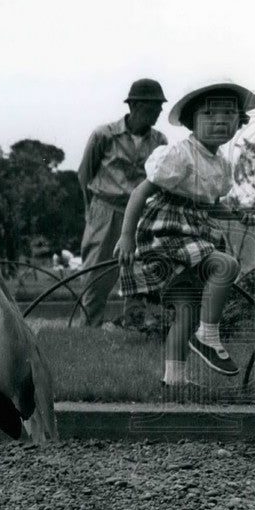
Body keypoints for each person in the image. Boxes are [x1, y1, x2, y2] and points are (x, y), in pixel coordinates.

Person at [114, 81, 255, 387]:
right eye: (210, 114)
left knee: (188, 311)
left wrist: (238, 215)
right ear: (192, 121)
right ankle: (208, 336)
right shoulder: (179, 154)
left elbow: (210, 206)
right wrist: (126, 236)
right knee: (226, 265)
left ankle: (174, 380)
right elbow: (140, 192)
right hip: (168, 233)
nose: (220, 121)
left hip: (195, 234)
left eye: (229, 114)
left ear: (239, 122)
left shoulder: (220, 165)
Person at [77, 78, 169, 328]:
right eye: (154, 105)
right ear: (135, 105)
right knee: (97, 272)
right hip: (105, 209)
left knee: (138, 271)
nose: (159, 110)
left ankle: (134, 328)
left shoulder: (160, 141)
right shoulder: (104, 135)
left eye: (160, 105)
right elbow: (84, 174)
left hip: (140, 212)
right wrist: (91, 211)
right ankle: (88, 329)